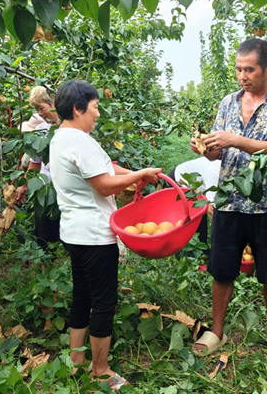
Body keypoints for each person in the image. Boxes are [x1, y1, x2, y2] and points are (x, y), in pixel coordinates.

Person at [189, 39, 267, 355]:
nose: (242, 76)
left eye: (249, 69)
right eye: (238, 69)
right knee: (222, 270)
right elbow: (216, 153)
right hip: (229, 201)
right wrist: (207, 148)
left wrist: (235, 139)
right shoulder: (227, 103)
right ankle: (218, 332)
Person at [49, 80, 162, 389]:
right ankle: (101, 370)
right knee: (103, 301)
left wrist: (136, 174)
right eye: (95, 106)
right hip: (95, 234)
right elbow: (102, 185)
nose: (98, 113)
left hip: (74, 232)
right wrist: (138, 176)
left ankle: (75, 362)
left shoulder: (61, 138)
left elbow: (106, 167)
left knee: (82, 296)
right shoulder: (80, 141)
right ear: (78, 108)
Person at [16, 86, 60, 249]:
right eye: (37, 109)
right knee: (44, 232)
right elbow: (35, 163)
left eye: (41, 108)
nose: (40, 114)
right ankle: (46, 264)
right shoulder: (42, 130)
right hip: (44, 189)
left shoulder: (70, 129)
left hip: (64, 189)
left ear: (54, 103)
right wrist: (24, 185)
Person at [168, 157, 221, 256]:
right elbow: (211, 210)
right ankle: (194, 256)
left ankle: (203, 252)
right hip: (178, 181)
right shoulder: (215, 171)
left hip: (195, 187)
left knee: (200, 214)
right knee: (195, 218)